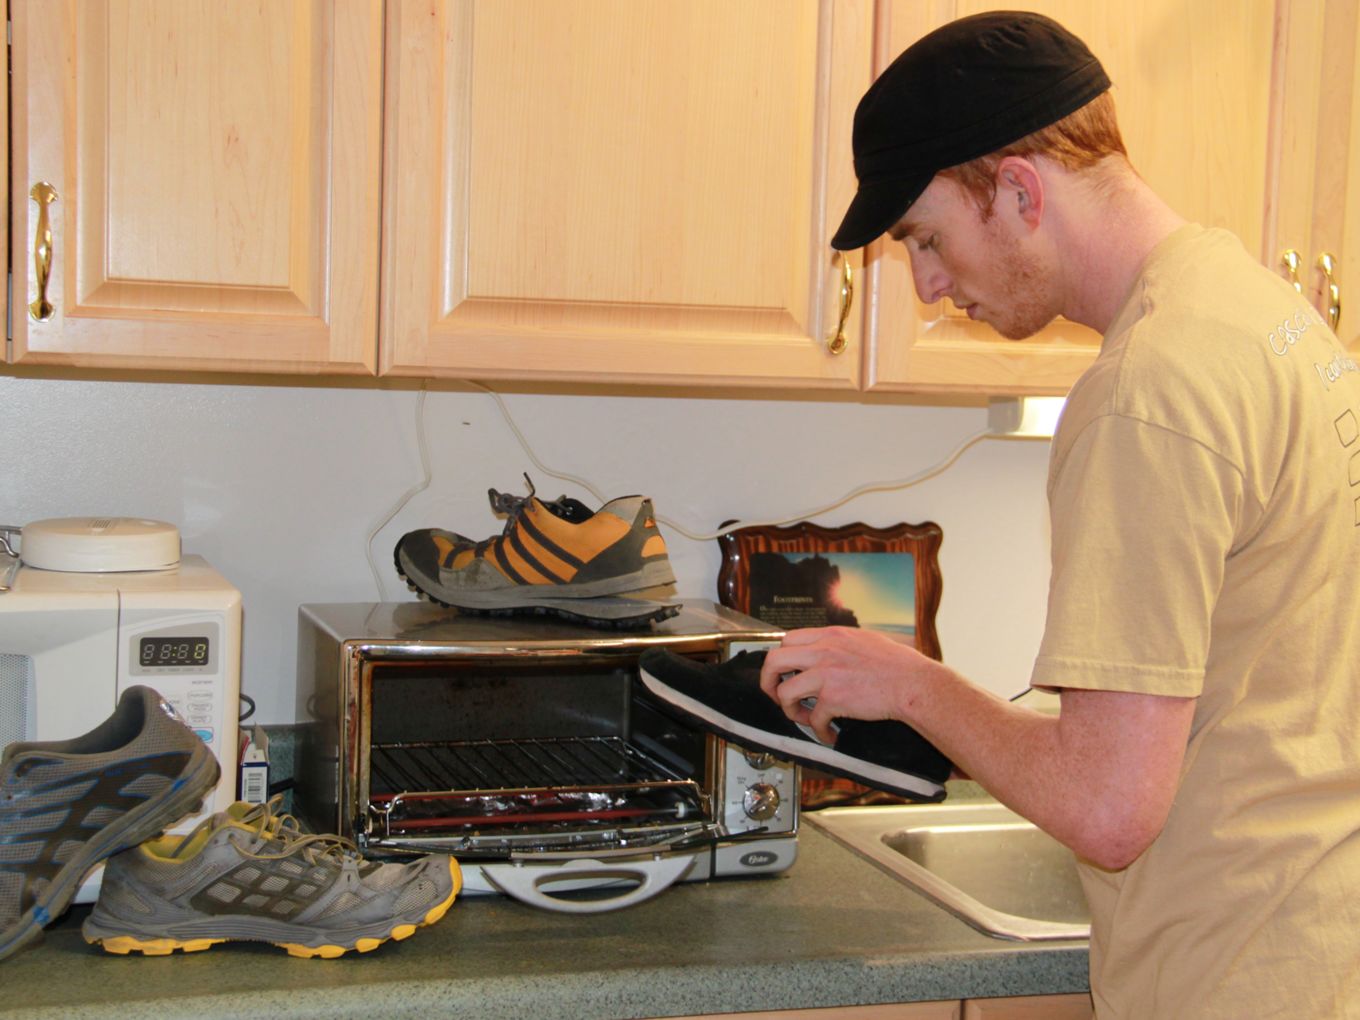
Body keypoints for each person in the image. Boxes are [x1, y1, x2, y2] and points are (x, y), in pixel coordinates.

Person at [759, 11, 1360, 1019]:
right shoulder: (1269, 319)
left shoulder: (1148, 390)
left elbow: (1107, 808)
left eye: (926, 238)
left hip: (1234, 977)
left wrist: (909, 686)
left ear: (1020, 191)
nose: (929, 287)